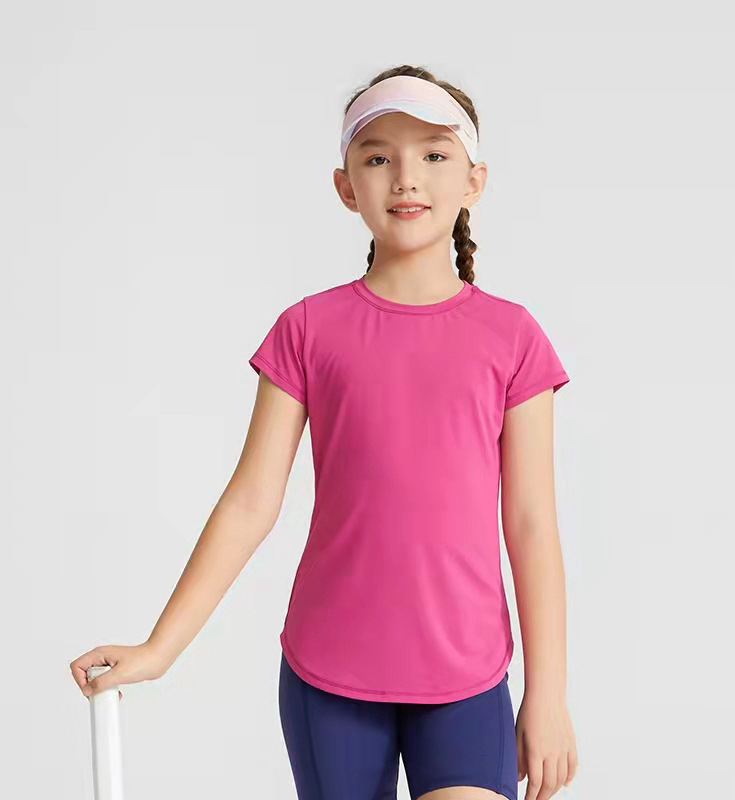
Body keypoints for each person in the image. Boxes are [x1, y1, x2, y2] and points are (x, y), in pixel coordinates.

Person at [70, 65, 579, 800]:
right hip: (329, 675)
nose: (406, 177)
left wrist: (548, 693)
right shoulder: (309, 329)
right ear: (346, 187)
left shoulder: (513, 336)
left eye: (434, 154)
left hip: (466, 679)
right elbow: (251, 502)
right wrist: (160, 648)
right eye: (378, 158)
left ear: (474, 182)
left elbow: (531, 523)